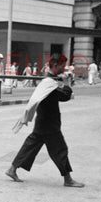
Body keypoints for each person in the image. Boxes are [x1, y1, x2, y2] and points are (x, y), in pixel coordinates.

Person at [6, 59, 85, 188]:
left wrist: (60, 83)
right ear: (55, 66)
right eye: (61, 66)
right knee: (60, 150)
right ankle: (68, 179)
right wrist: (65, 83)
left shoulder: (48, 82)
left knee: (30, 146)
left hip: (43, 122)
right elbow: (65, 96)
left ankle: (12, 169)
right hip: (49, 124)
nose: (63, 68)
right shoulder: (51, 85)